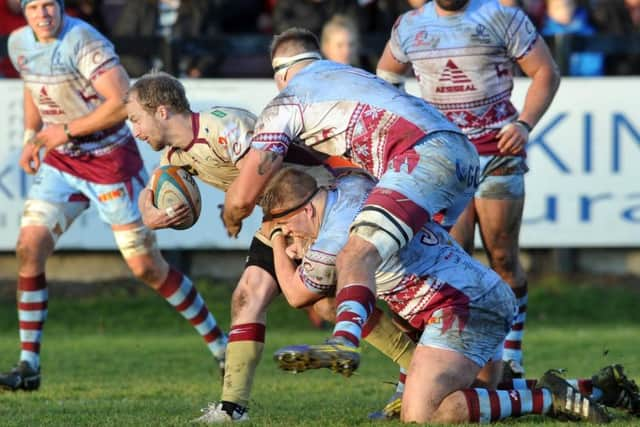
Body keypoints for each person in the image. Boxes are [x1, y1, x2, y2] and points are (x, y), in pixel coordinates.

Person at [124, 72, 418, 423]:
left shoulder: (225, 126)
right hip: (278, 217)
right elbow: (154, 188)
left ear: (161, 111)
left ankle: (419, 368)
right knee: (249, 296)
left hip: (317, 204)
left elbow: (267, 175)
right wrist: (151, 212)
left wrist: (236, 209)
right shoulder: (175, 156)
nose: (135, 131)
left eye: (135, 119)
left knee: (325, 303)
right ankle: (232, 409)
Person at [221, 27, 480, 376]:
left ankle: (343, 340)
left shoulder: (287, 101)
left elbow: (243, 194)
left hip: (418, 157)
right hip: (463, 154)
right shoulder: (348, 73)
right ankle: (463, 379)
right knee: (413, 276)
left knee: (356, 254)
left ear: (280, 74)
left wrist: (233, 215)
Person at [260, 167, 611, 424]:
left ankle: (549, 399)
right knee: (480, 393)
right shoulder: (355, 184)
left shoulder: (335, 234)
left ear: (307, 211)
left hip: (460, 307)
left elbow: (295, 295)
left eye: (288, 229)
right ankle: (597, 389)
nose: (291, 242)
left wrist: (273, 240)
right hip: (475, 293)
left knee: (425, 415)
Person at [0, 0, 226, 392]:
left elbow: (124, 102)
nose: (43, 13)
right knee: (28, 247)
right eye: (34, 5)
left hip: (109, 161)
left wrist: (65, 131)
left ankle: (222, 348)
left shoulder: (84, 41)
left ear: (61, 5)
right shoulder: (19, 42)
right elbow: (32, 88)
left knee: (146, 268)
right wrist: (30, 137)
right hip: (63, 163)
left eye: (49, 4)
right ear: (23, 10)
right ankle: (29, 364)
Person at [376, 0, 561, 378]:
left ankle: (512, 356)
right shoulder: (411, 26)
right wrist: (407, 123)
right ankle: (469, 360)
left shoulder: (501, 16)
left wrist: (524, 124)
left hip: (497, 153)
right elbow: (385, 76)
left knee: (504, 258)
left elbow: (545, 71)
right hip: (445, 159)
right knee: (452, 260)